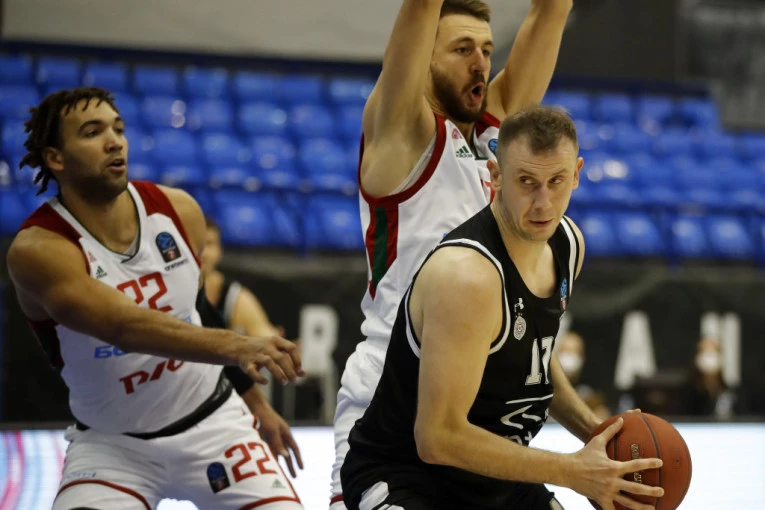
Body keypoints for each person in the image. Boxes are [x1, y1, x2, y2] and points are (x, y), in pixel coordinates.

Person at [341, 106, 664, 510]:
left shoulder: (568, 244)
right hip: (410, 478)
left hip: (497, 479)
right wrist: (572, 471)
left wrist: (598, 434)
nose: (543, 203)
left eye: (556, 181)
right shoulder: (467, 277)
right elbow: (437, 438)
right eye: (526, 182)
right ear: (495, 175)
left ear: (577, 174)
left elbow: (534, 359)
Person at [6, 87, 304, 509]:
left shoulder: (177, 210)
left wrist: (257, 405)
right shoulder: (39, 249)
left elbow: (199, 312)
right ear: (55, 158)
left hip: (215, 425)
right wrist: (240, 345)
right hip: (113, 448)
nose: (114, 141)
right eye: (93, 132)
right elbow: (123, 327)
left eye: (119, 128)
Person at [332, 1, 573, 506]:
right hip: (391, 407)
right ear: (423, 59)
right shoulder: (402, 132)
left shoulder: (499, 141)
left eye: (486, 49)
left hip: (477, 410)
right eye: (462, 50)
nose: (480, 63)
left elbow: (552, 11)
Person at [199, 216, 304, 477]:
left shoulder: (236, 298)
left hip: (228, 404)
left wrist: (279, 348)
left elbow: (263, 337)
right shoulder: (171, 292)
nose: (203, 252)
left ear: (220, 250)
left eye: (210, 244)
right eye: (198, 244)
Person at [556, 330, 611, 420]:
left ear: (582, 357)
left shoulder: (589, 395)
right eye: (564, 351)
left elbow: (602, 419)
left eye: (573, 352)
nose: (568, 357)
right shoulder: (544, 390)